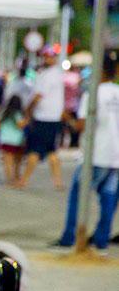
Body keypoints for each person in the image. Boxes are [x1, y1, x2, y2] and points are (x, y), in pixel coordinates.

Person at [52, 53, 119, 253]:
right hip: (116, 157)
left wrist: (67, 118)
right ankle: (101, 241)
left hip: (96, 154)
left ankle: (69, 237)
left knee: (78, 195)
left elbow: (82, 125)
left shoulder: (93, 94)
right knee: (108, 199)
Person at [21, 48, 66, 189]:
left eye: (49, 57)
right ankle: (57, 181)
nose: (47, 59)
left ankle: (24, 180)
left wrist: (28, 110)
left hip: (43, 118)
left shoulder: (47, 75)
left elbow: (38, 96)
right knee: (51, 150)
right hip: (53, 118)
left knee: (34, 150)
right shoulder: (57, 74)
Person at [0, 95, 28, 187]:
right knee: (17, 162)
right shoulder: (18, 114)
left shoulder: (3, 113)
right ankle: (16, 178)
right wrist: (26, 121)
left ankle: (9, 180)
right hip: (17, 141)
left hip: (5, 140)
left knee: (7, 163)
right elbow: (20, 125)